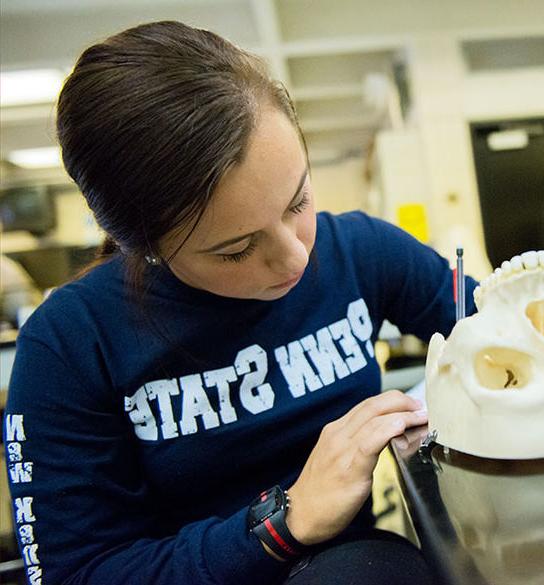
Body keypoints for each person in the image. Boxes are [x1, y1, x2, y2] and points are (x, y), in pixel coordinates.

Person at [2, 20, 477, 585]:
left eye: (297, 201)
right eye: (236, 250)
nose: (295, 259)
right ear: (147, 246)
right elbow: (73, 574)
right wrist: (283, 522)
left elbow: (495, 323)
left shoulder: (359, 251)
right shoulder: (69, 344)